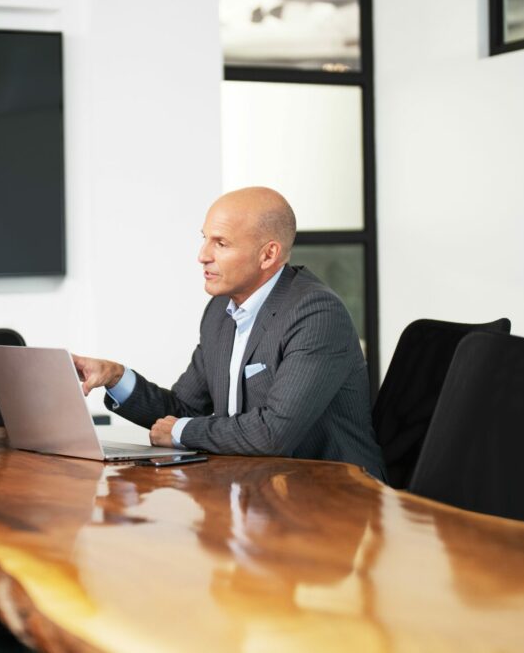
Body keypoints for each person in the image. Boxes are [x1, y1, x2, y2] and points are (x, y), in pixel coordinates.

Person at [73, 187, 386, 480]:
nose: (203, 255)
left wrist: (183, 432)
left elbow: (273, 432)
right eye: (205, 239)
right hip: (257, 488)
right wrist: (116, 377)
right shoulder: (219, 311)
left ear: (268, 255)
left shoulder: (316, 313)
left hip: (333, 498)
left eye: (220, 243)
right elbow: (183, 410)